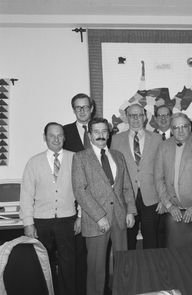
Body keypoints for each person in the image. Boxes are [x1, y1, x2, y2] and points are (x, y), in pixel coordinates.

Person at [72, 117, 137, 295]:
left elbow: (126, 186)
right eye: (96, 132)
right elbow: (80, 191)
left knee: (123, 264)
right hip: (95, 221)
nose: (101, 135)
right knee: (96, 268)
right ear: (90, 134)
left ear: (108, 134)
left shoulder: (118, 156)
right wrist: (99, 217)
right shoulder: (80, 158)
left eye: (104, 131)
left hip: (120, 217)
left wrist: (130, 210)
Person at [19, 122, 80, 295]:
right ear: (44, 137)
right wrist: (28, 222)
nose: (56, 139)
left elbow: (82, 190)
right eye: (51, 135)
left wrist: (81, 216)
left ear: (65, 137)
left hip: (67, 219)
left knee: (68, 264)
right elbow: (26, 194)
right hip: (40, 221)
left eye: (60, 135)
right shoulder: (34, 162)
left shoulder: (75, 158)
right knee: (42, 263)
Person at [111, 103, 162, 250]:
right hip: (126, 198)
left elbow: (162, 170)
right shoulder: (116, 139)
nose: (135, 118)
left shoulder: (157, 139)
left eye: (139, 115)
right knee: (128, 241)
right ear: (127, 117)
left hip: (152, 197)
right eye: (132, 115)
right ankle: (130, 272)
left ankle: (152, 271)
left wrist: (163, 198)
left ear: (145, 117)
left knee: (151, 240)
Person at [154, 112, 192, 226]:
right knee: (176, 243)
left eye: (184, 126)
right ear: (171, 130)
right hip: (174, 211)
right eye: (176, 127)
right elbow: (158, 178)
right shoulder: (163, 147)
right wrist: (168, 205)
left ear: (190, 127)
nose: (180, 131)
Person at [63, 93, 94, 295]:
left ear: (92, 108)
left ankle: (97, 288)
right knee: (79, 250)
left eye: (85, 107)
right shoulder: (64, 132)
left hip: (101, 199)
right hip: (75, 200)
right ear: (73, 110)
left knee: (99, 251)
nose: (82, 111)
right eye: (77, 108)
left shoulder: (102, 129)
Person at [153, 104, 173, 247]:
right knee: (159, 234)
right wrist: (162, 197)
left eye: (166, 114)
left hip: (178, 195)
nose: (163, 118)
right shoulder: (148, 139)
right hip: (156, 196)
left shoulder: (182, 135)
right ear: (155, 119)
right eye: (160, 115)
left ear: (171, 116)